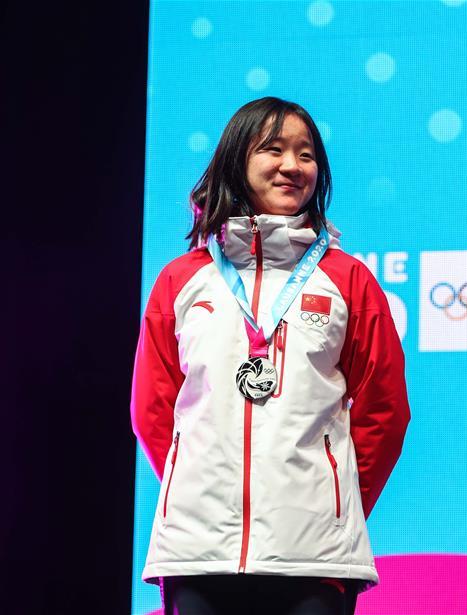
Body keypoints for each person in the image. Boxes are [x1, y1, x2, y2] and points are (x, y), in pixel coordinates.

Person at [130, 96, 411, 615]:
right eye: (274, 149)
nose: (292, 166)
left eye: (306, 155)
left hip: (315, 556)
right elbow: (154, 411)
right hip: (198, 551)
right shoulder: (182, 280)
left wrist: (332, 506)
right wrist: (194, 493)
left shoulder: (348, 280)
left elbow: (384, 413)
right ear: (238, 159)